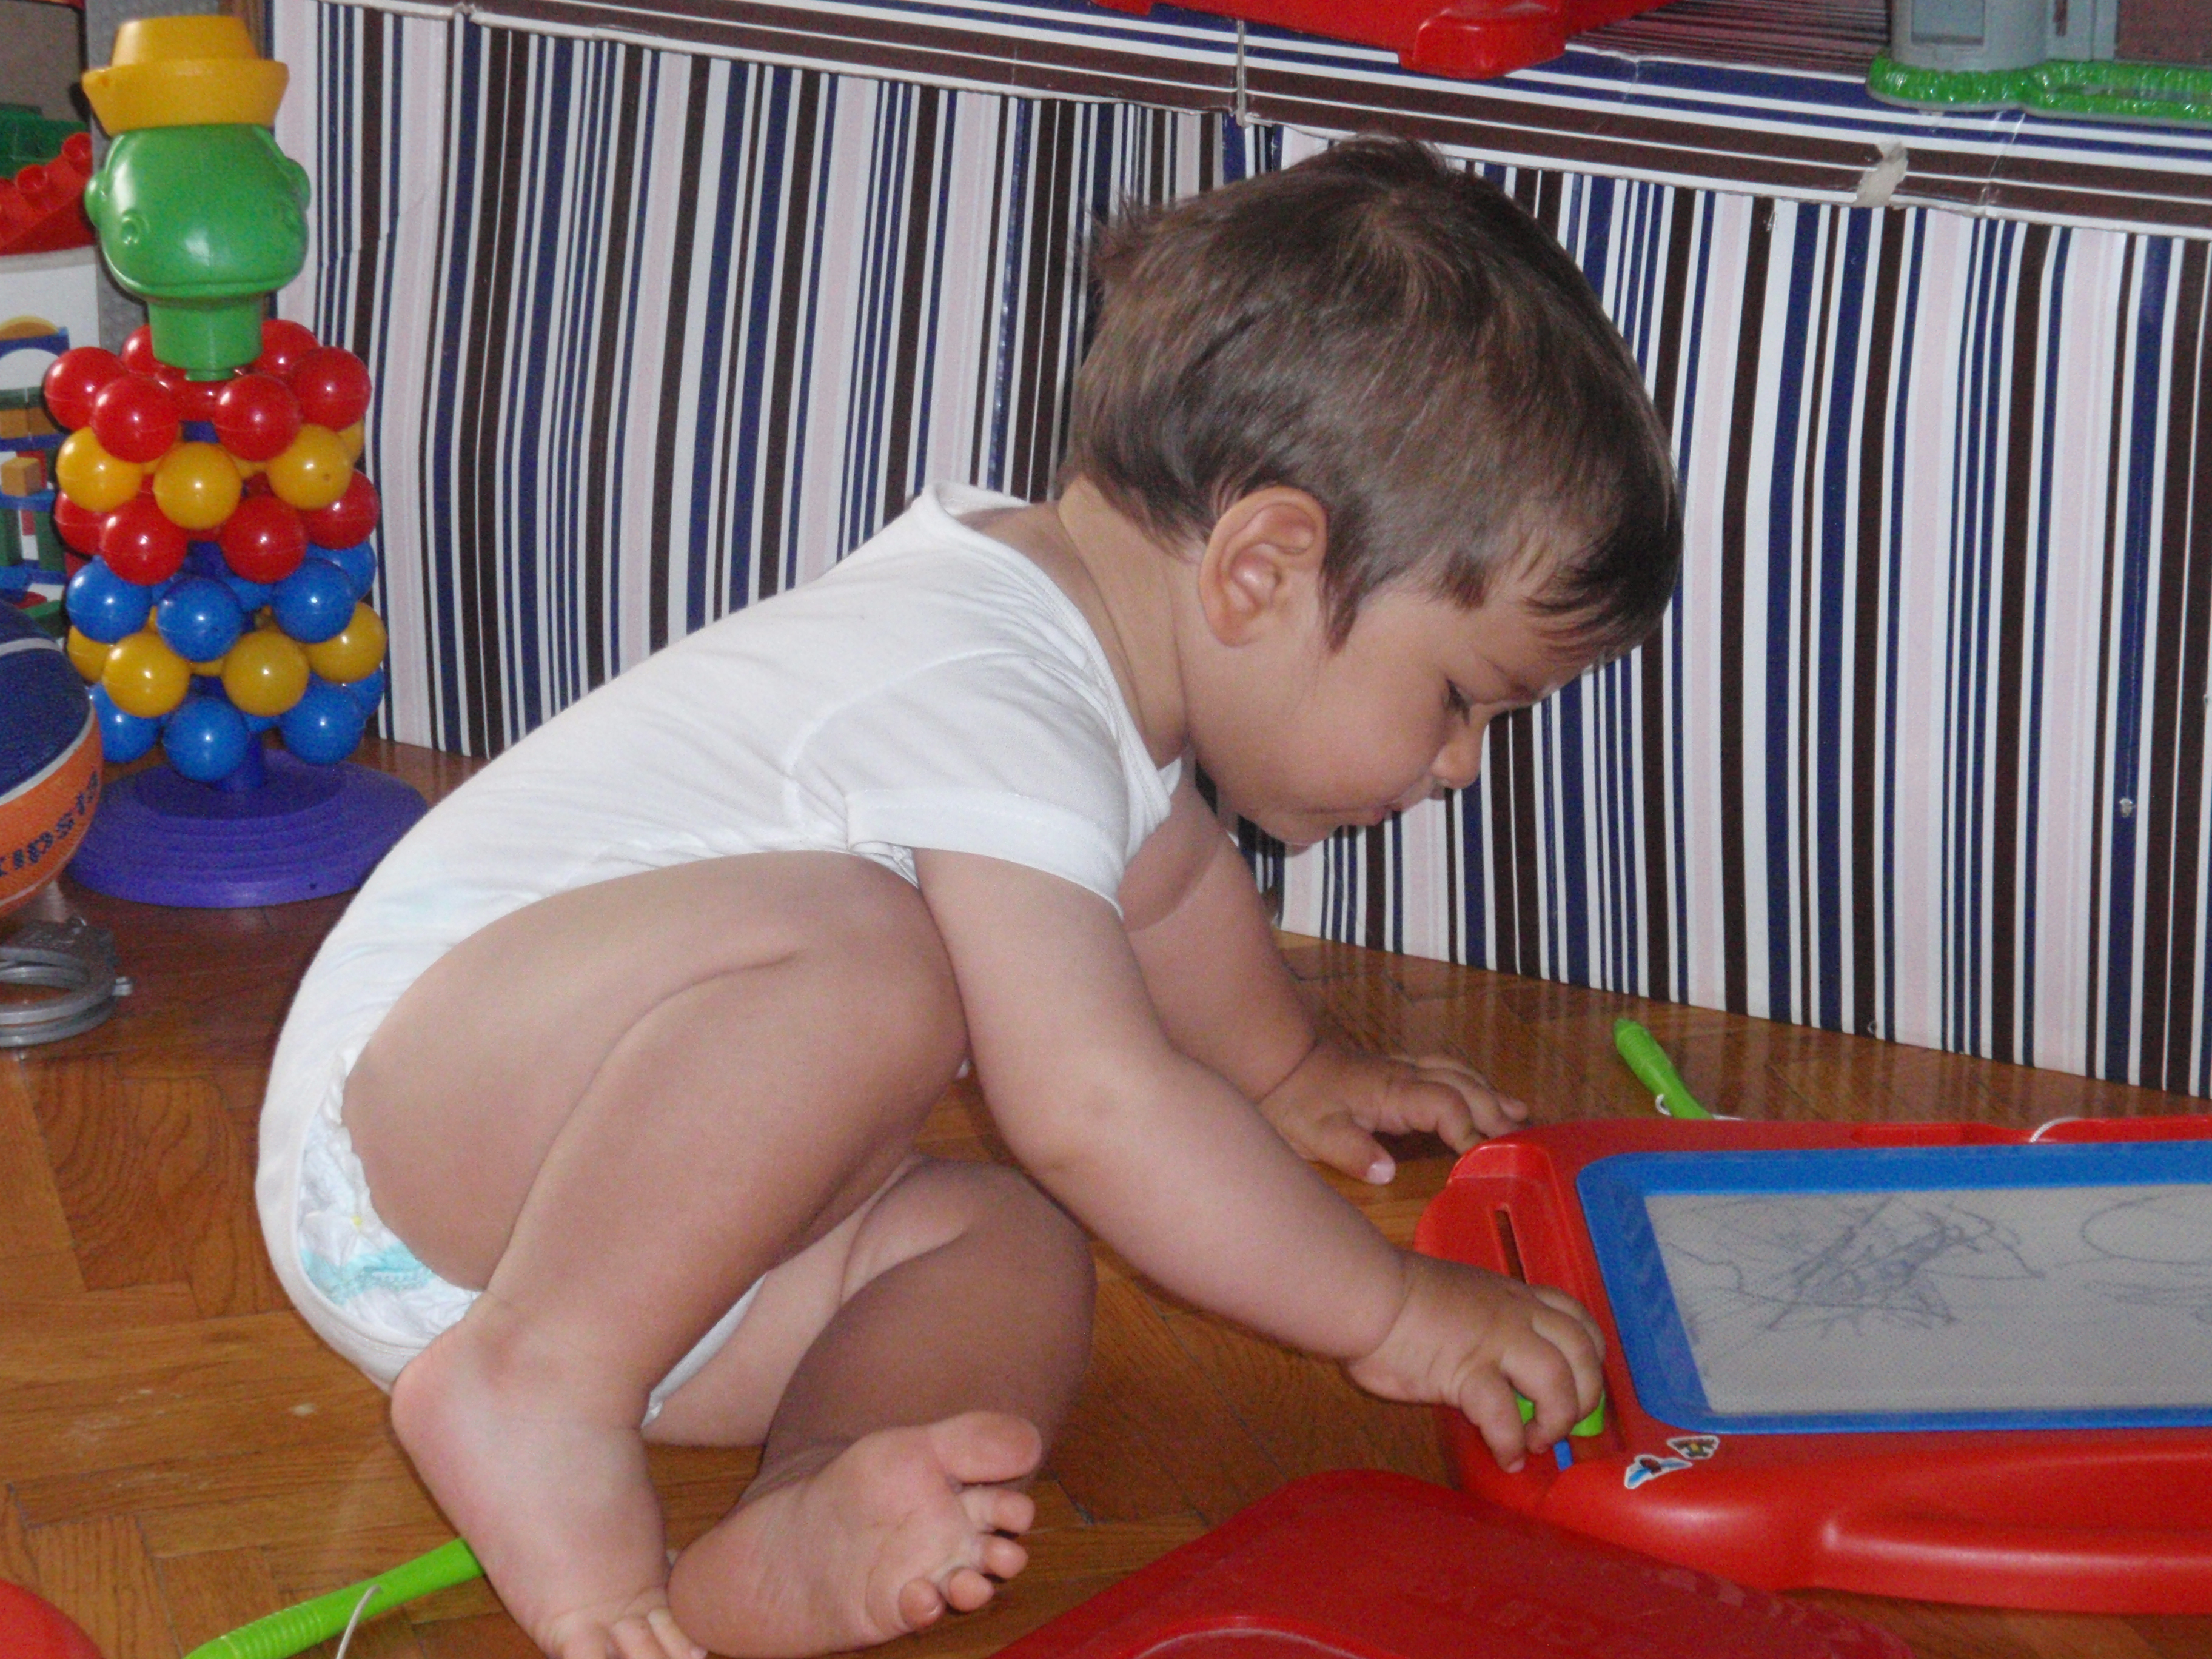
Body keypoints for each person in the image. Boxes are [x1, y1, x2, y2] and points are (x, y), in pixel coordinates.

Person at [256, 135, 1680, 1659]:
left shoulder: (1093, 681)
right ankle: (535, 1387)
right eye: (1461, 698)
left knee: (1008, 1243)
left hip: (631, 1244)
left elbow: (1170, 886)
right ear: (1263, 566)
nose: (1460, 766)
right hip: (414, 1139)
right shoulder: (986, 678)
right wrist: (1391, 1314)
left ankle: (810, 1514)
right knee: (885, 964)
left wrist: (1291, 1072)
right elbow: (1095, 1108)